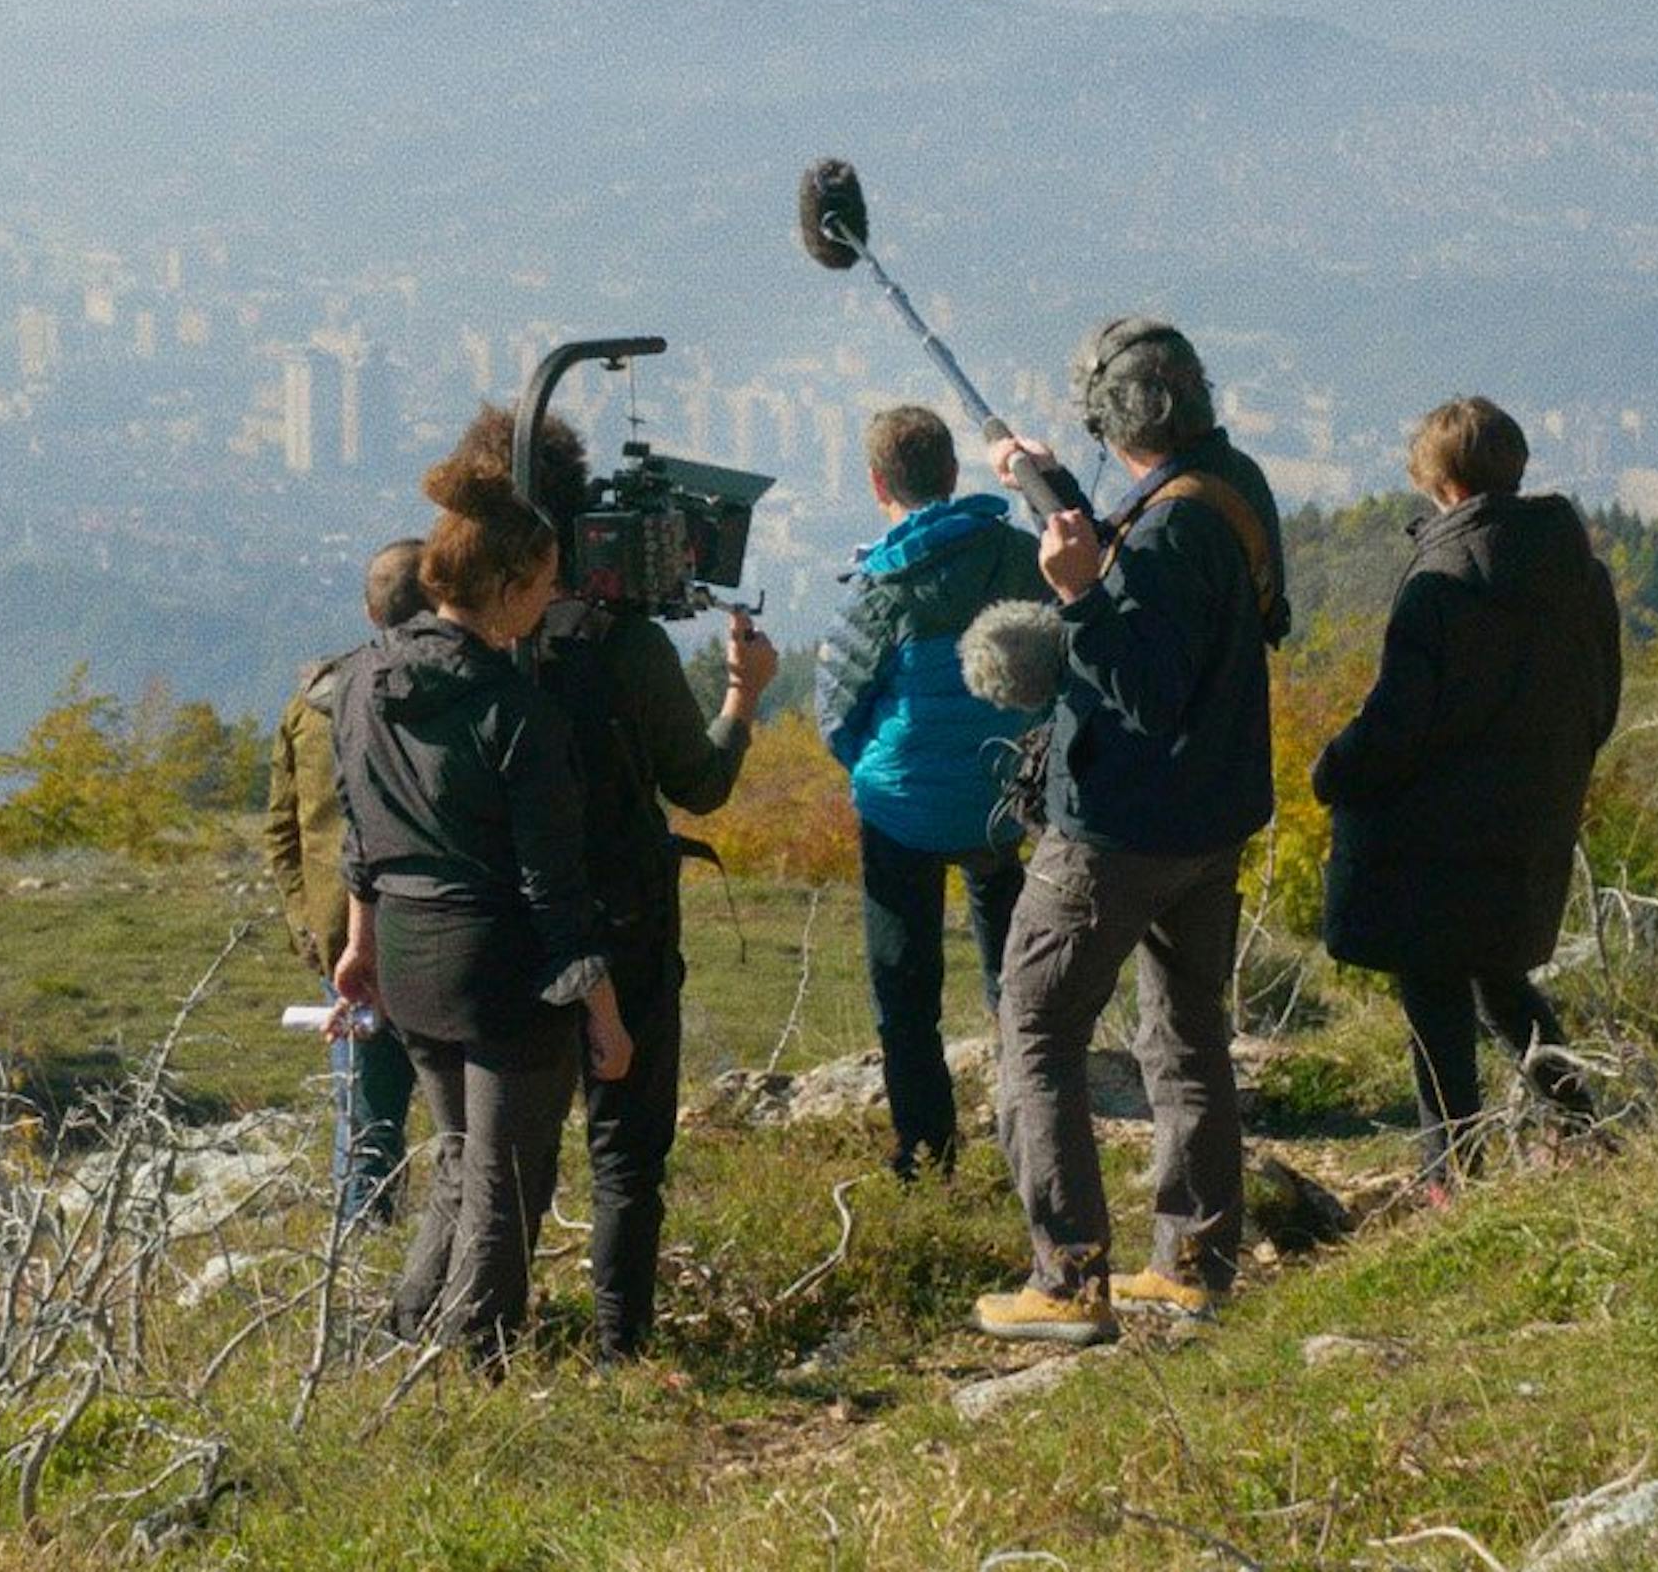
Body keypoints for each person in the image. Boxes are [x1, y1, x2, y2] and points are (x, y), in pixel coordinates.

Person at [976, 316, 1290, 1343]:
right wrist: (1061, 492)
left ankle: (1066, 1280)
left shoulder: (1164, 530)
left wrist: (1075, 594)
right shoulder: (1227, 487)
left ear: (1116, 420)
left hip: (1117, 829)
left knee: (1034, 1023)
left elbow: (1147, 681)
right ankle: (1193, 1263)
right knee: (1187, 1033)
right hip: (1211, 816)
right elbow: (1199, 614)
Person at [456, 404, 773, 1363]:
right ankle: (618, 1348)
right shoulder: (622, 646)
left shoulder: (454, 644)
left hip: (496, 923)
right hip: (622, 917)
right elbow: (700, 783)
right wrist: (742, 695)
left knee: (498, 1159)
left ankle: (481, 1344)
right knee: (626, 1153)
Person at [333, 446, 634, 1361]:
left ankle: (404, 1332)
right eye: (542, 581)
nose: (551, 596)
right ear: (502, 585)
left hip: (408, 957)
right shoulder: (516, 713)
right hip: (498, 970)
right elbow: (555, 887)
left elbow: (357, 831)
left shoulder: (358, 682)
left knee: (461, 1158)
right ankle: (477, 1359)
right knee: (508, 1182)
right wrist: (606, 1012)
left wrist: (360, 948)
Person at [1314, 396, 1620, 1196]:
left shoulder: (1442, 582)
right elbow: (1602, 703)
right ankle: (1580, 1127)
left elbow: (1399, 722)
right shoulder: (1580, 574)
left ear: (1441, 483)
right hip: (1531, 822)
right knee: (1501, 978)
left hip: (1435, 834)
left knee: (1437, 996)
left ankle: (1448, 1173)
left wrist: (1335, 769)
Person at [819, 403, 1051, 1181]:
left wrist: (871, 770)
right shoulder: (1019, 555)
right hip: (999, 798)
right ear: (954, 476)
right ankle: (1035, 1131)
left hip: (903, 811)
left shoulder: (882, 584)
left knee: (904, 988)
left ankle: (927, 1151)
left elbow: (836, 708)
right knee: (1014, 979)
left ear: (878, 482)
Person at [263, 536, 431, 1224]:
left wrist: (311, 927)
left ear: (370, 612)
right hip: (435, 934)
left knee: (364, 1127)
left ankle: (360, 1269)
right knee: (467, 1126)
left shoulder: (311, 706)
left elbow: (282, 830)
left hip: (342, 943)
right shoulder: (443, 697)